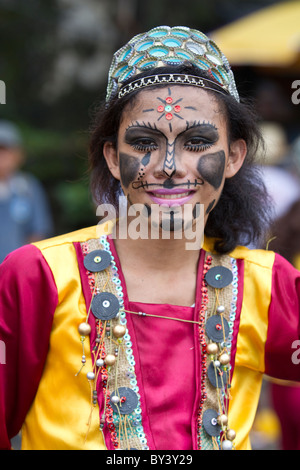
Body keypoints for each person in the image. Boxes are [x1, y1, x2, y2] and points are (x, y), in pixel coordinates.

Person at [0, 26, 299, 451]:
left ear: (233, 156)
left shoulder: (267, 286)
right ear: (112, 158)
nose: (170, 166)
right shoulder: (38, 276)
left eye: (197, 142)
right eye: (144, 143)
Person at [0, 120, 53, 263]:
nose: (2, 157)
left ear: (19, 154)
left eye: (7, 151)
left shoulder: (28, 187)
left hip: (14, 269)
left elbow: (38, 232)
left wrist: (22, 265)